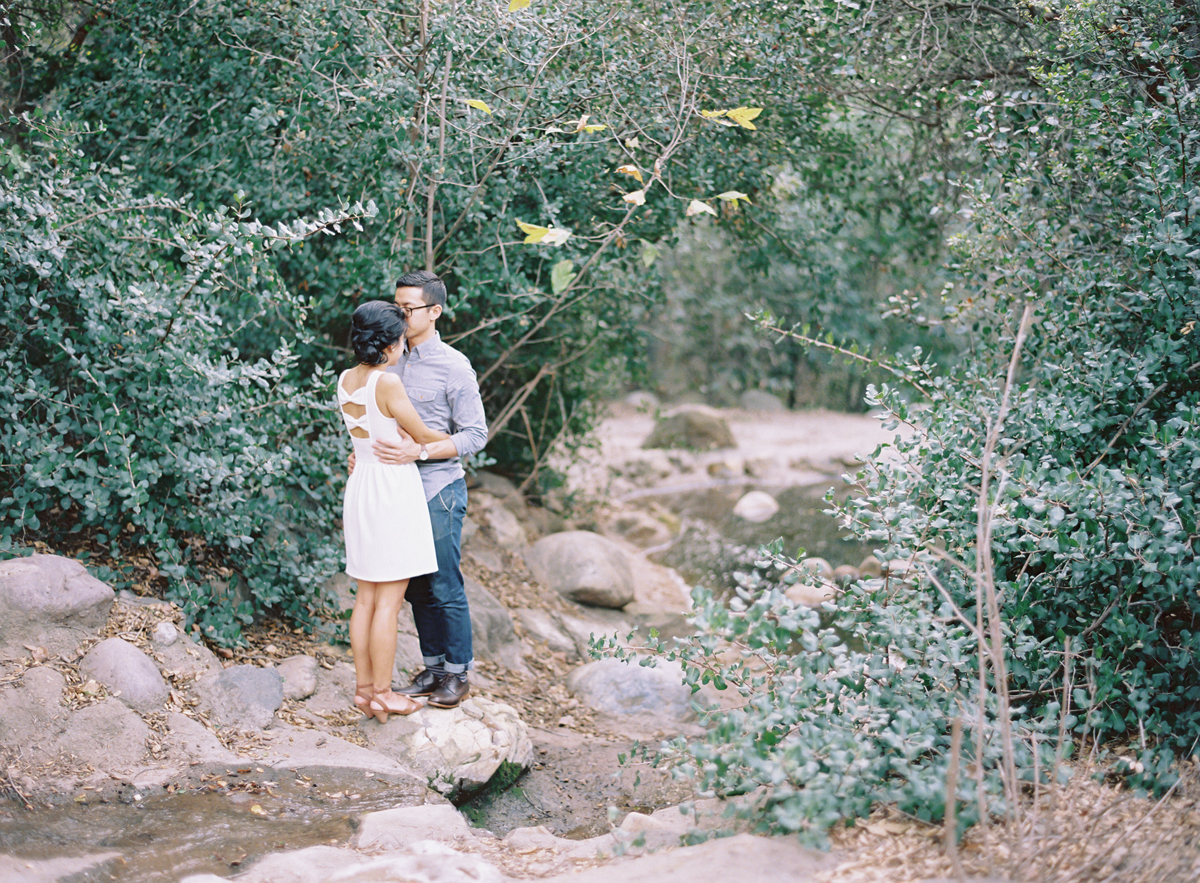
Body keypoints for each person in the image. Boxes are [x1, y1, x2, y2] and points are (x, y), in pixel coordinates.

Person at [373, 270, 489, 709]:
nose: (399, 314)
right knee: (415, 586)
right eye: (396, 306)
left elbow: (475, 435)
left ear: (434, 312)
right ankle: (433, 668)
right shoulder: (388, 360)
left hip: (438, 489)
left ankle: (458, 674)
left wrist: (420, 454)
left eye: (408, 308)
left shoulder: (454, 366)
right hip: (393, 490)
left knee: (443, 583)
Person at [338, 300, 450, 722]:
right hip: (390, 488)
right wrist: (455, 436)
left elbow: (370, 434)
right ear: (390, 343)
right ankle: (384, 693)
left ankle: (364, 691)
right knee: (388, 602)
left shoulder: (346, 379)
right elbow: (424, 435)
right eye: (402, 339)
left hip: (362, 483)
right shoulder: (387, 384)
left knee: (366, 597)